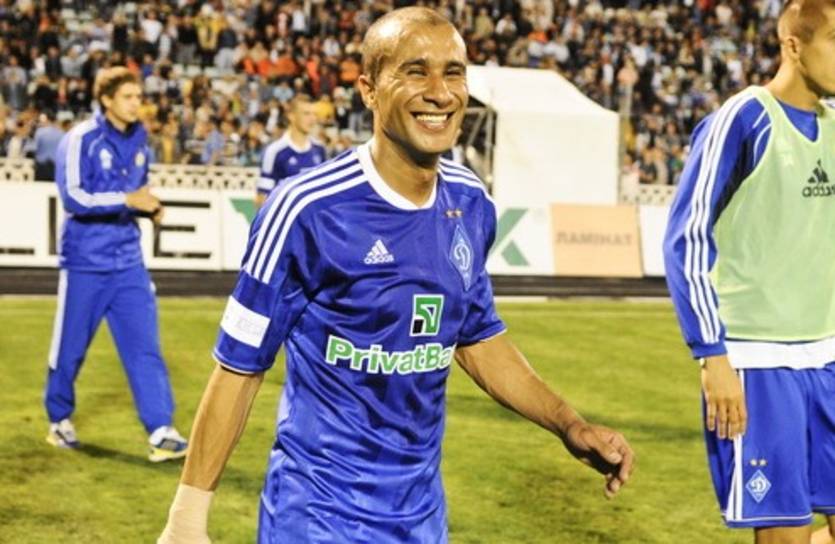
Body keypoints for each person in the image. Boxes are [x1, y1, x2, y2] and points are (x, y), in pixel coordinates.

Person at [158, 8, 634, 543]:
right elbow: (239, 367)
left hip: (420, 518)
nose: (439, 93)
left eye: (453, 73)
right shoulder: (308, 209)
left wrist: (569, 424)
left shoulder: (470, 203)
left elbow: (477, 336)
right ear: (368, 89)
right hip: (318, 516)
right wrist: (187, 518)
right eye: (415, 71)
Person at [663, 2, 835, 543]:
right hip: (758, 363)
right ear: (794, 46)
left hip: (828, 354)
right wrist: (712, 355)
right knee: (784, 532)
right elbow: (686, 237)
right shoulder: (743, 119)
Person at [46, 67, 188, 463]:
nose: (136, 103)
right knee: (70, 349)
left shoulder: (141, 140)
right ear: (106, 99)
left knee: (145, 348)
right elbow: (74, 198)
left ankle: (161, 430)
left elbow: (135, 195)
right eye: (127, 96)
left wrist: (149, 209)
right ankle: (59, 419)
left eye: (138, 96)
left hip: (128, 261)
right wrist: (128, 201)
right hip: (85, 262)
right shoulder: (80, 139)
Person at [254, 94, 326, 208]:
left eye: (314, 114)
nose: (312, 119)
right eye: (306, 114)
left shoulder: (319, 149)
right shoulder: (274, 151)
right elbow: (261, 199)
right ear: (291, 116)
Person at [33, 111, 64, 181]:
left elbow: (35, 148)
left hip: (42, 166)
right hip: (55, 166)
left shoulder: (40, 132)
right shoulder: (61, 133)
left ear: (47, 119)